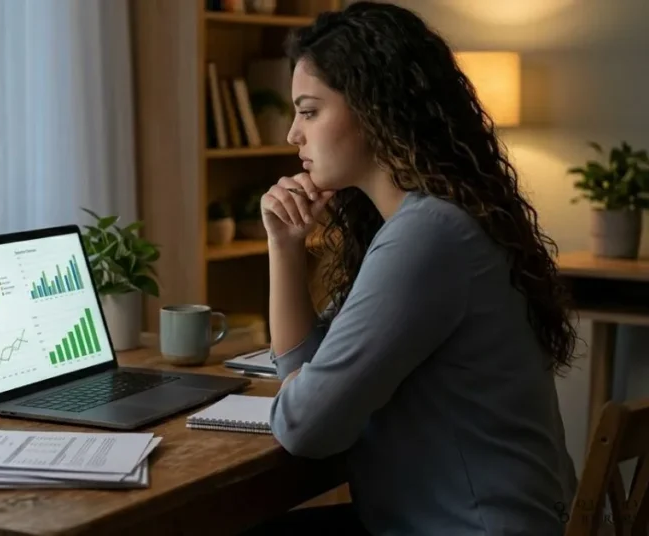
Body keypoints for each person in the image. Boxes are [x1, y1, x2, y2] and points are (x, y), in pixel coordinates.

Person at [246, 2, 578, 535]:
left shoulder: (428, 237)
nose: (292, 135)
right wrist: (284, 247)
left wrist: (310, 391)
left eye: (309, 112)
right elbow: (303, 380)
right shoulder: (424, 224)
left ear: (374, 110)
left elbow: (305, 425)